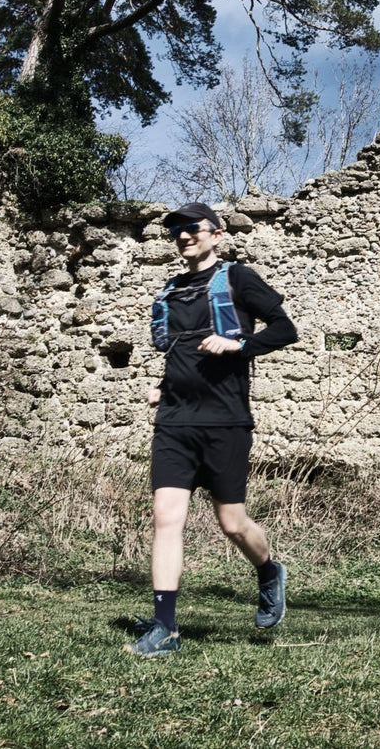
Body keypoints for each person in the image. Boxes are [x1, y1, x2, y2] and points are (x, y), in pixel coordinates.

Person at [125, 202, 299, 657]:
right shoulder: (172, 289)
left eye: (193, 228)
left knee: (232, 522)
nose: (184, 236)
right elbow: (180, 351)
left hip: (225, 421)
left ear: (216, 234)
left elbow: (285, 329)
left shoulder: (238, 279)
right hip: (175, 422)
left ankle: (268, 572)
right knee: (166, 517)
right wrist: (163, 387)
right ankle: (165, 626)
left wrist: (238, 343)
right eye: (176, 231)